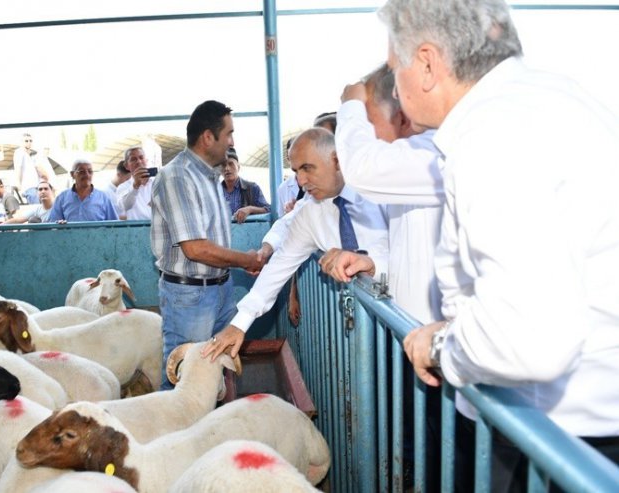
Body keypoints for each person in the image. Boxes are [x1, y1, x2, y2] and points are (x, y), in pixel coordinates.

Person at [376, 0, 619, 486]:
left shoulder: (494, 132)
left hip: (555, 443)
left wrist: (441, 346)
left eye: (393, 68)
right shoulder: (550, 98)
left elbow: (531, 339)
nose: (393, 84)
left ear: (427, 63)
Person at [202, 127, 389, 361]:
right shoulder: (309, 214)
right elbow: (279, 267)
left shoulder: (383, 193)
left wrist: (373, 265)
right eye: (296, 171)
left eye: (307, 168)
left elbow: (418, 256)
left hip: (412, 317)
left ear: (337, 161)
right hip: (368, 328)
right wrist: (239, 324)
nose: (300, 181)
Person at [150, 100, 266, 389]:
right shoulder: (177, 176)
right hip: (190, 296)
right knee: (183, 379)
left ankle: (208, 431)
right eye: (228, 133)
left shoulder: (210, 176)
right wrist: (246, 260)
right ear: (207, 137)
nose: (232, 141)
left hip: (220, 289)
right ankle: (178, 434)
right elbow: (195, 249)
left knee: (215, 372)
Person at [325, 63, 444, 325]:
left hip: (447, 347)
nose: (366, 137)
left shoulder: (435, 151)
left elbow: (360, 169)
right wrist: (373, 263)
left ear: (400, 115)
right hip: (420, 338)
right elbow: (414, 257)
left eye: (369, 123)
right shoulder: (407, 171)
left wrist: (351, 106)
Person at [48, 159, 118, 223]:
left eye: (90, 171)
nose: (87, 175)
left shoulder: (103, 198)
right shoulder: (62, 198)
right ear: (72, 174)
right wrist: (58, 224)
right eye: (81, 171)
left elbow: (115, 225)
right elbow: (52, 225)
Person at [220, 147, 270, 223]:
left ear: (238, 167)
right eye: (223, 165)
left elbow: (269, 209)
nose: (227, 168)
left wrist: (250, 209)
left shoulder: (252, 188)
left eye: (231, 164)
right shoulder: (215, 192)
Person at [117, 146, 155, 221]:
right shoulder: (123, 187)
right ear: (126, 166)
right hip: (137, 231)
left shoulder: (157, 182)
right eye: (133, 159)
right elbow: (125, 206)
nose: (139, 162)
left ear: (146, 160)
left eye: (141, 158)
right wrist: (135, 186)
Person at [13, 132, 48, 204]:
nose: (29, 143)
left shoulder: (29, 155)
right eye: (26, 141)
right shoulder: (19, 152)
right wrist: (18, 184)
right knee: (36, 210)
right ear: (21, 142)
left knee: (40, 210)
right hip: (29, 187)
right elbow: (18, 168)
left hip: (35, 187)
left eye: (30, 141)